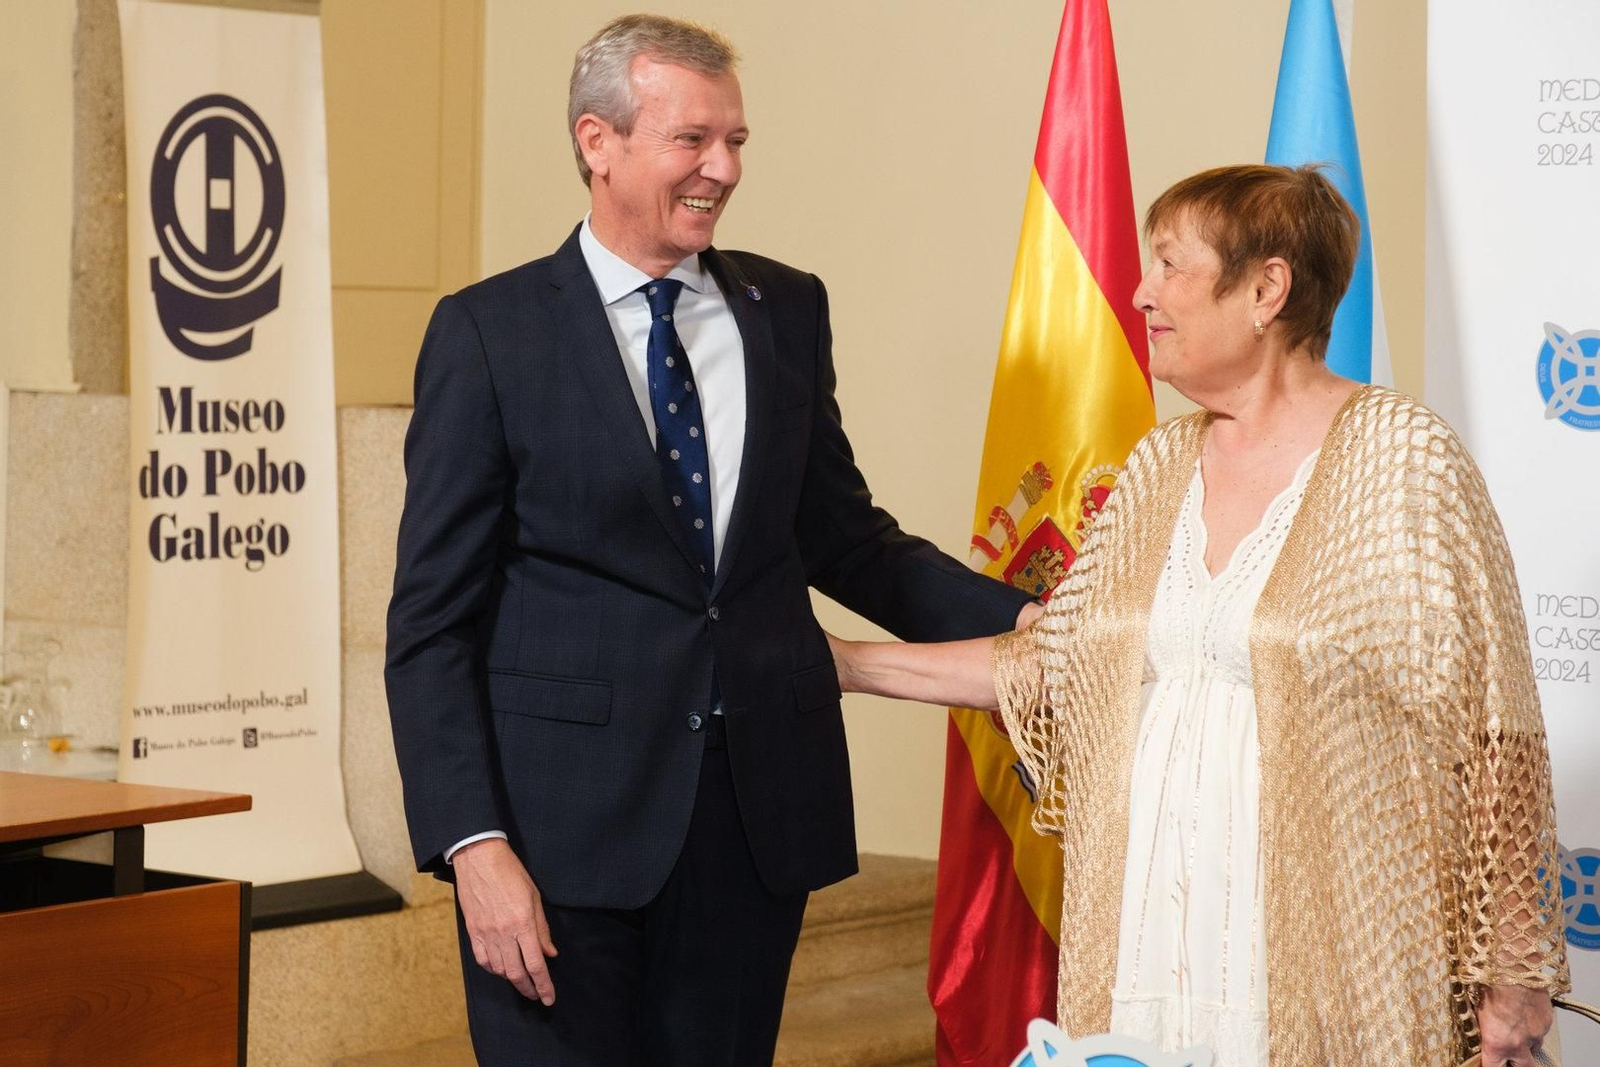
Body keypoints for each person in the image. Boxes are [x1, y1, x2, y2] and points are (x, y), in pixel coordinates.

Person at [383, 14, 1035, 1067]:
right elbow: (429, 624)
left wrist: (1033, 618)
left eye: (735, 140)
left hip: (751, 823)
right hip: (557, 837)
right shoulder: (488, 332)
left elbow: (846, 539)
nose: (722, 168)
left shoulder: (785, 308)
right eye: (693, 140)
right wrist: (474, 845)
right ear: (598, 141)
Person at [827, 165, 1570, 1066]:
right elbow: (1049, 665)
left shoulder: (1406, 462)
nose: (1142, 292)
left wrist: (1515, 979)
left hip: (1341, 976)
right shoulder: (1156, 468)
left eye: (1171, 265)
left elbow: (1498, 739)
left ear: (1266, 288)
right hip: (1147, 961)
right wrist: (846, 663)